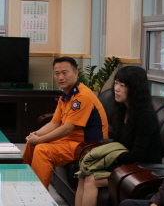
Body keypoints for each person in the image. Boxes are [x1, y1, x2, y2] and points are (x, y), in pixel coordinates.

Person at [62, 66, 161, 206]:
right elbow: (117, 144)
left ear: (135, 88)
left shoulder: (145, 115)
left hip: (141, 168)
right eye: (116, 83)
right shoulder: (123, 109)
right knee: (84, 174)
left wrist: (108, 160)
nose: (116, 89)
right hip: (125, 163)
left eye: (123, 85)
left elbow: (138, 154)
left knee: (91, 179)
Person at [23, 56, 109, 189]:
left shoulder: (82, 96)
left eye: (64, 72)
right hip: (71, 141)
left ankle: (37, 195)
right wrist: (35, 135)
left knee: (42, 149)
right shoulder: (66, 95)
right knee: (31, 144)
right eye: (57, 73)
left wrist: (39, 140)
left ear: (75, 73)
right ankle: (22, 184)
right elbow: (54, 123)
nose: (60, 77)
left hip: (88, 145)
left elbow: (68, 129)